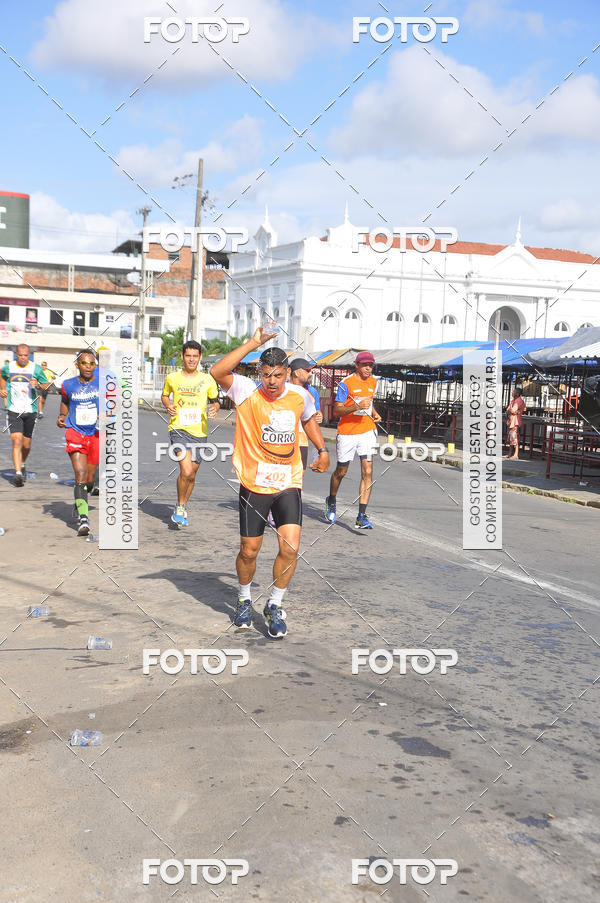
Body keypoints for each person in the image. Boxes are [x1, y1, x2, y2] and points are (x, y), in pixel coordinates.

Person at [210, 326, 329, 638]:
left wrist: (323, 449)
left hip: (288, 481)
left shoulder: (299, 395)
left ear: (286, 373)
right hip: (254, 484)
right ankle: (244, 599)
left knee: (291, 547)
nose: (272, 382)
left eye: (278, 375)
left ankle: (275, 604)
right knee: (249, 551)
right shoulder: (246, 391)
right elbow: (217, 370)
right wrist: (254, 341)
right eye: (267, 375)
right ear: (259, 373)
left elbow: (308, 419)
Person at [161, 340, 220, 527]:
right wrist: (168, 405)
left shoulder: (207, 379)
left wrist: (215, 408)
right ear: (182, 357)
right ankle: (179, 506)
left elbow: (215, 400)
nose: (192, 359)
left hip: (199, 432)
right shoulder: (172, 377)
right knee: (185, 470)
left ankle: (183, 505)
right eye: (188, 356)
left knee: (192, 475)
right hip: (178, 429)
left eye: (195, 356)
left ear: (200, 358)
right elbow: (165, 395)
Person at [325, 350, 382, 529]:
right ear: (356, 365)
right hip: (348, 432)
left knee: (368, 470)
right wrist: (356, 406)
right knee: (341, 472)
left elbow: (369, 403)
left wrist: (374, 413)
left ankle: (361, 516)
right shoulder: (345, 384)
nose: (368, 368)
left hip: (367, 430)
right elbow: (336, 411)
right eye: (365, 365)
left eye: (371, 365)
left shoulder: (374, 382)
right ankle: (331, 500)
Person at [57, 351, 100, 536]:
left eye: (91, 363)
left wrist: (108, 412)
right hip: (75, 433)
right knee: (80, 475)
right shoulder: (68, 385)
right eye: (84, 363)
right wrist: (62, 416)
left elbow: (116, 402)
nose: (88, 366)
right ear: (77, 365)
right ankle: (83, 518)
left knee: (90, 480)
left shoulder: (104, 383)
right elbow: (64, 402)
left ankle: (80, 500)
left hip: (96, 434)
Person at [0, 344, 51, 486]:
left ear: (29, 355)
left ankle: (22, 464)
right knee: (16, 441)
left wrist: (38, 385)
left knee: (26, 445)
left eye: (25, 355)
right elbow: (2, 376)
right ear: (16, 354)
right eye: (20, 355)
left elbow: (47, 385)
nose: (23, 358)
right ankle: (17, 474)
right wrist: (3, 389)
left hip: (31, 410)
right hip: (14, 410)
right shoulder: (9, 367)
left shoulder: (36, 368)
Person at [289, 358, 323, 470]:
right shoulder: (283, 389)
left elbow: (316, 412)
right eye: (307, 371)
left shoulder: (312, 391)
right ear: (296, 373)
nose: (310, 374)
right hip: (284, 437)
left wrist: (319, 416)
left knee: (300, 473)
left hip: (302, 438)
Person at [505, 387, 526, 460]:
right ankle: (510, 453)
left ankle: (516, 454)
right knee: (511, 438)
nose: (512, 393)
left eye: (513, 392)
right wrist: (512, 411)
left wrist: (512, 411)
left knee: (515, 438)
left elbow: (512, 410)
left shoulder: (519, 401)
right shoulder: (513, 401)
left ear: (517, 393)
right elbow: (508, 410)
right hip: (511, 421)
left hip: (515, 421)